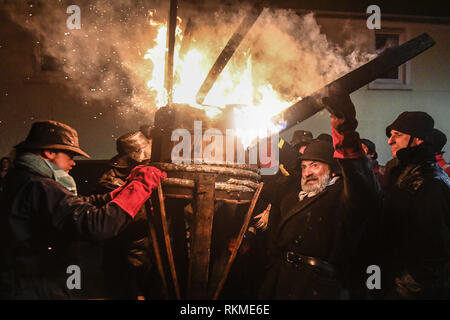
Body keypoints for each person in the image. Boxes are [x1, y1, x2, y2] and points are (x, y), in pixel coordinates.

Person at [0, 120, 166, 299]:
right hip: (36, 289)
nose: (73, 163)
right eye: (70, 155)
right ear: (49, 152)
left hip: (21, 283)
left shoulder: (20, 179)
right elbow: (97, 225)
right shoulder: (41, 186)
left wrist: (115, 195)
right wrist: (140, 185)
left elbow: (75, 203)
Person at [259, 93, 379, 299]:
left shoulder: (343, 196)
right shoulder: (293, 196)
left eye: (315, 165)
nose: (308, 172)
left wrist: (345, 130)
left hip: (320, 288)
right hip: (285, 282)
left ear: (332, 170)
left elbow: (358, 176)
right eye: (305, 166)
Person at [377, 112, 450, 299]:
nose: (390, 141)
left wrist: (402, 292)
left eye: (398, 135)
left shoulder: (430, 182)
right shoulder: (404, 173)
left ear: (418, 139)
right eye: (390, 135)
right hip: (393, 279)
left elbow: (431, 253)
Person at [96, 129, 163, 299]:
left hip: (147, 249)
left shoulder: (141, 172)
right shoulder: (110, 181)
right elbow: (132, 214)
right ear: (135, 156)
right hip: (125, 251)